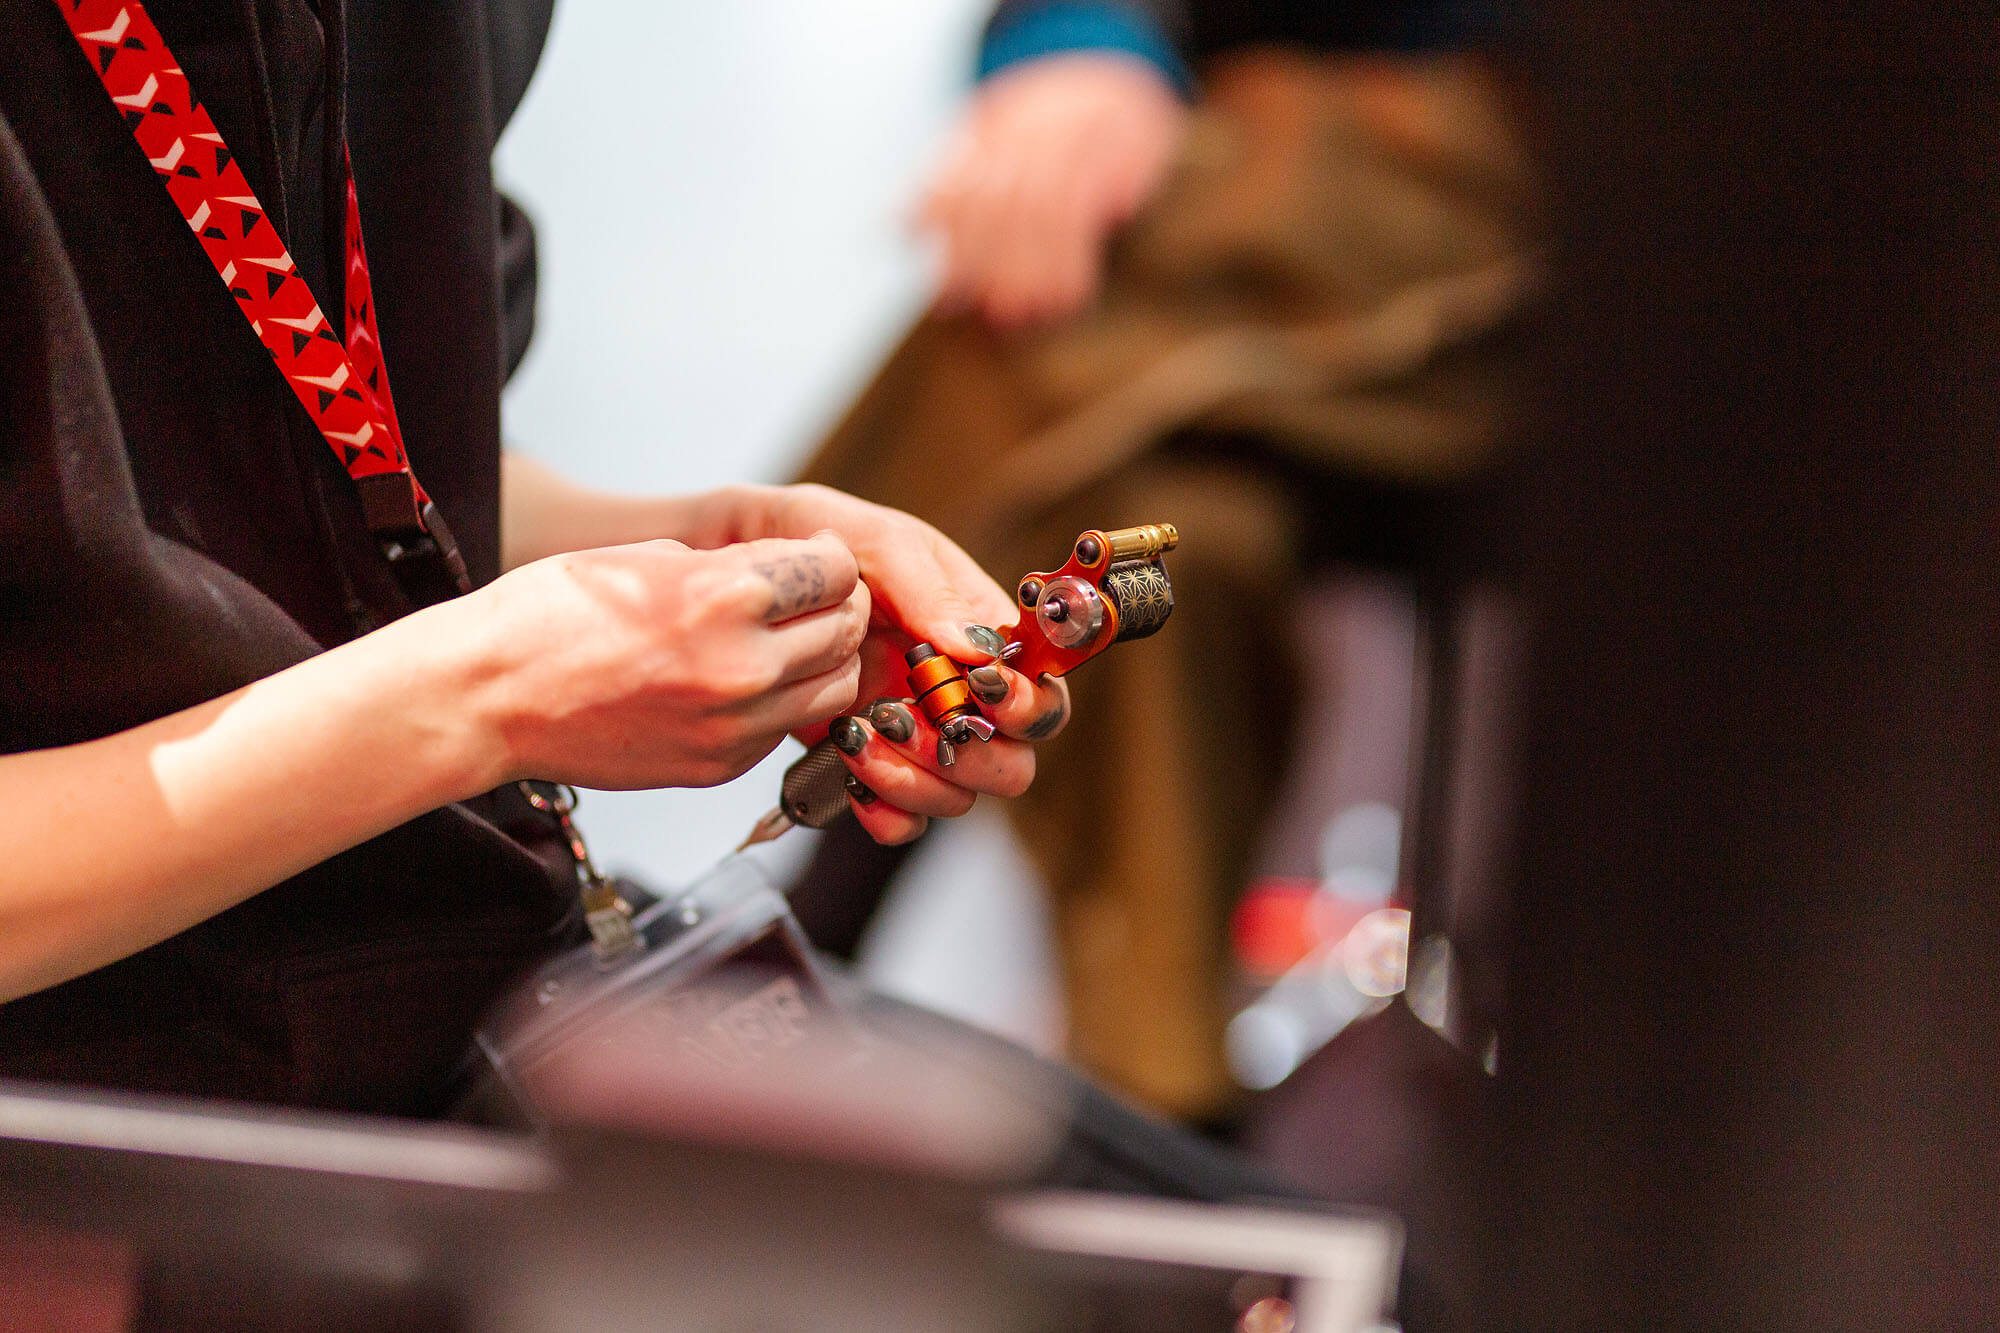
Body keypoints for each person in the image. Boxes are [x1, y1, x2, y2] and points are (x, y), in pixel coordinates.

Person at [0, 0, 1069, 1114]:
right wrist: (490, 696)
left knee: (1149, 1205)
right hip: (114, 1105)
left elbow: (350, 482)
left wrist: (713, 543)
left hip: (469, 974)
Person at [791, 0, 1535, 1122]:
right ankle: (1161, 1094)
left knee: (1091, 285)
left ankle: (794, 911)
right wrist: (1086, 40)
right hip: (1275, 264)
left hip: (1589, 187)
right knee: (1163, 533)